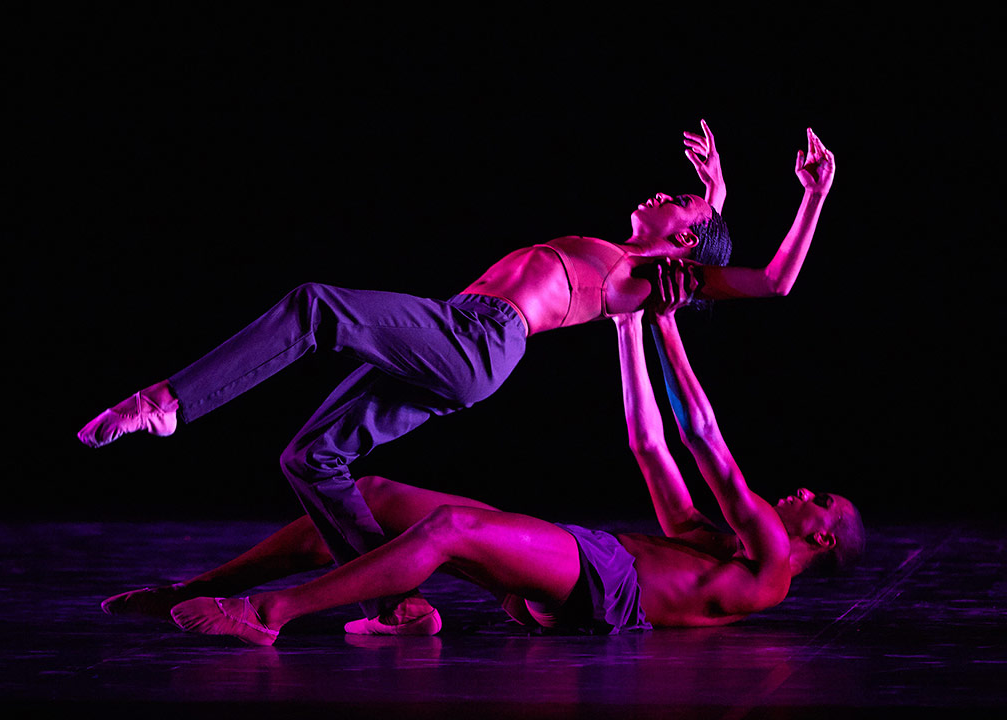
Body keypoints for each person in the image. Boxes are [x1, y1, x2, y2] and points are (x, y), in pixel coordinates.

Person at [80, 122, 836, 631]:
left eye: (676, 203)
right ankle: (403, 608)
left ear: (684, 245)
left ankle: (167, 402)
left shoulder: (643, 279)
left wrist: (811, 194)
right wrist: (717, 193)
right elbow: (695, 246)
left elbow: (769, 280)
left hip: (476, 341)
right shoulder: (637, 260)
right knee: (311, 459)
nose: (658, 196)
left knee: (316, 307)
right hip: (459, 330)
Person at [106, 260, 863, 645]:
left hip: (605, 590)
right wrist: (631, 330)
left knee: (447, 532)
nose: (801, 492)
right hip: (582, 563)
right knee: (362, 492)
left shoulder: (769, 570)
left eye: (818, 500)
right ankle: (190, 589)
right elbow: (649, 441)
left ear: (822, 537)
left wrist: (669, 326)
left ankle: (268, 612)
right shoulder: (714, 544)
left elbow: (705, 441)